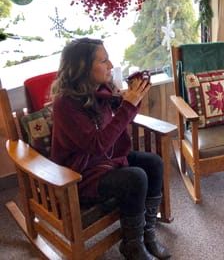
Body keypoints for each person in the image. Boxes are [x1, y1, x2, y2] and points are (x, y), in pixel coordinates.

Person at [50, 37, 171, 260]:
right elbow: (96, 145)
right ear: (83, 67)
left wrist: (135, 98)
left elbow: (123, 119)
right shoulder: (65, 104)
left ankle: (147, 234)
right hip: (79, 175)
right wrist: (127, 106)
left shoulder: (101, 90)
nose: (111, 65)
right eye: (103, 61)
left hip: (106, 161)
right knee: (135, 177)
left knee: (154, 163)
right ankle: (132, 246)